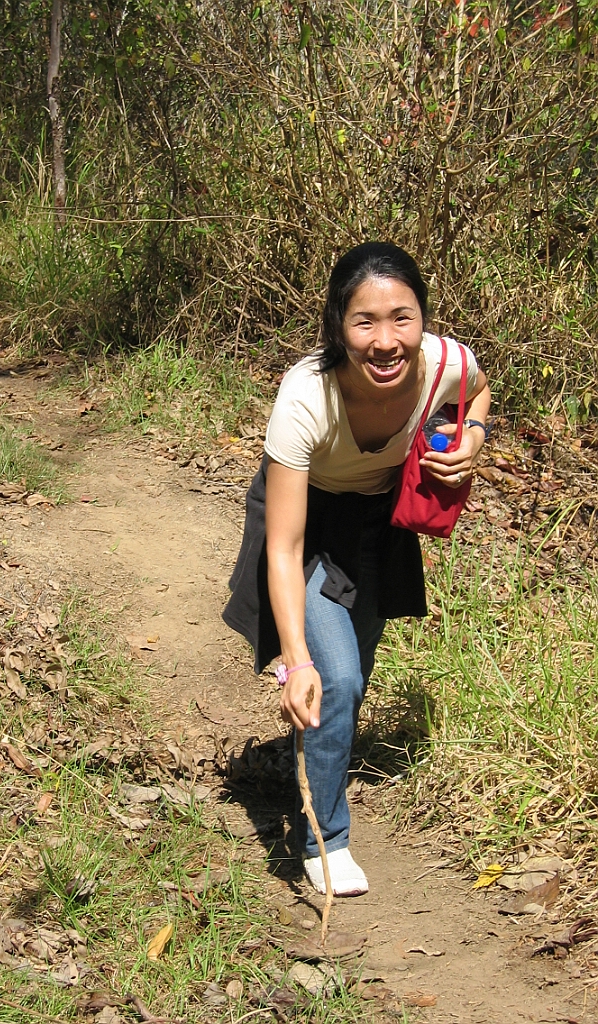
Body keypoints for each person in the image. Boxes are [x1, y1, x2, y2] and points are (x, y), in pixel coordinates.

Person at [223, 242, 491, 896]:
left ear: (423, 318)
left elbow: (479, 391)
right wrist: (295, 660)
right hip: (309, 523)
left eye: (402, 318)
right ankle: (324, 838)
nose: (385, 340)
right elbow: (284, 545)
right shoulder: (306, 395)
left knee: (355, 671)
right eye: (364, 321)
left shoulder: (446, 364)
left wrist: (472, 440)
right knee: (333, 673)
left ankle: (310, 758)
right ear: (337, 326)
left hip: (378, 521)